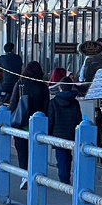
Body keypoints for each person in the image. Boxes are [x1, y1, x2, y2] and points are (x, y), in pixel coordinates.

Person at [9, 61, 49, 189]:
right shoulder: (43, 87)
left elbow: (13, 104)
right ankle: (36, 176)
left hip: (22, 122)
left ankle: (25, 176)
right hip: (38, 124)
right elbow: (46, 107)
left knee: (22, 151)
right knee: (35, 151)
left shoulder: (21, 84)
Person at [47, 73, 83, 182]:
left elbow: (50, 120)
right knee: (68, 157)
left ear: (60, 87)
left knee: (61, 158)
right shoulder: (75, 102)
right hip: (71, 134)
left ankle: (63, 179)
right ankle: (66, 177)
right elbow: (79, 119)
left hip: (58, 134)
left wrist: (48, 133)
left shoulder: (53, 102)